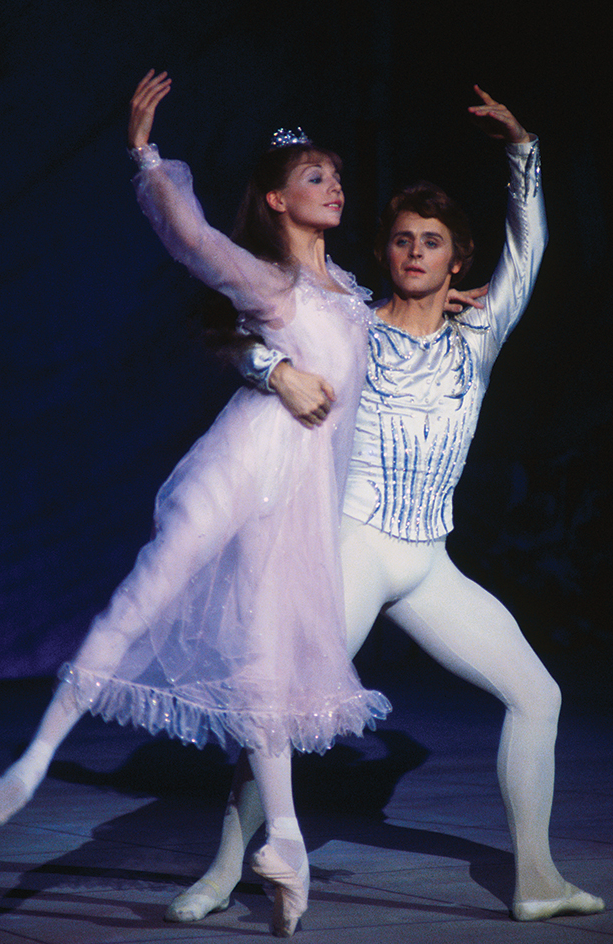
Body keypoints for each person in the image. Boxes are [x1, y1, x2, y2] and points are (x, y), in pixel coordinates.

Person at [176, 87, 605, 924]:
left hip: (428, 560)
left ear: (457, 262)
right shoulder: (351, 323)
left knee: (537, 695)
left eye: (432, 243)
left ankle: (537, 880)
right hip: (354, 546)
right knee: (282, 709)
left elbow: (533, 246)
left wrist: (524, 152)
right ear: (388, 251)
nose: (414, 252)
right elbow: (255, 335)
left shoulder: (476, 336)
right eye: (403, 240)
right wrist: (271, 371)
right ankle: (225, 870)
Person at [0, 70, 397, 937]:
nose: (333, 186)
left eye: (335, 175)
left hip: (295, 503)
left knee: (264, 659)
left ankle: (283, 836)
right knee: (150, 587)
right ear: (277, 200)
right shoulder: (270, 284)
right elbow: (193, 238)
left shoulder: (349, 297)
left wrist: (448, 303)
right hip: (239, 462)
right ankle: (29, 765)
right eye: (315, 177)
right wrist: (146, 157)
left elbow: (387, 337)